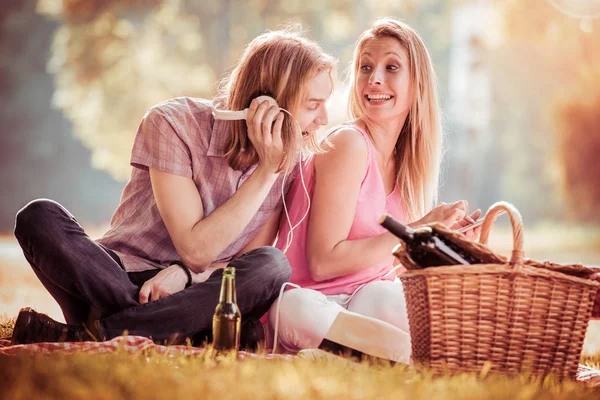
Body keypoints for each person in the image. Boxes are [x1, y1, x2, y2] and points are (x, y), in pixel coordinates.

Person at [11, 27, 335, 347]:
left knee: (272, 265)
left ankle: (94, 333)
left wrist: (185, 276)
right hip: (118, 275)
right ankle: (172, 329)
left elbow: (239, 263)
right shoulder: (172, 123)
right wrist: (265, 171)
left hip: (196, 290)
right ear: (268, 104)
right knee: (38, 217)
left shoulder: (289, 162)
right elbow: (196, 251)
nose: (323, 119)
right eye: (312, 105)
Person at [267, 18, 481, 362]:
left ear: (417, 85)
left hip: (364, 304)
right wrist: (415, 230)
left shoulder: (408, 167)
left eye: (391, 67)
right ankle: (417, 360)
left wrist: (449, 249)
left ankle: (352, 358)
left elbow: (383, 268)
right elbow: (322, 264)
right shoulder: (348, 143)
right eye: (366, 67)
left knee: (390, 297)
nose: (374, 78)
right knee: (294, 307)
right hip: (312, 305)